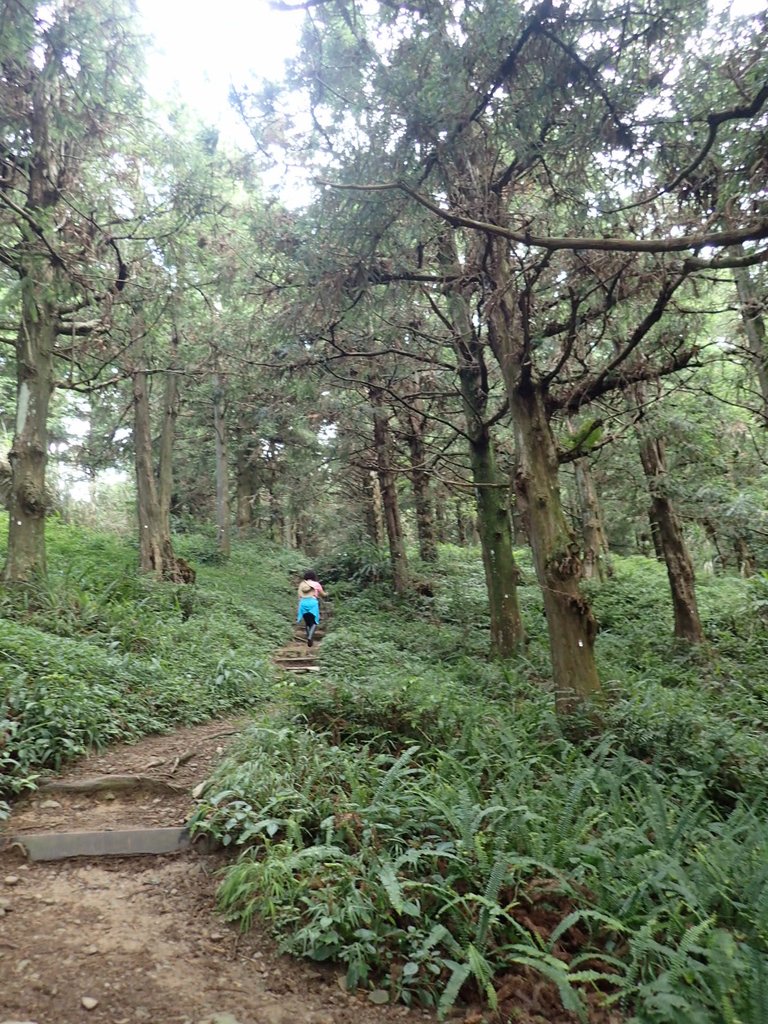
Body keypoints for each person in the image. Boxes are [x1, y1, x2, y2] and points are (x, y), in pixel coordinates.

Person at [297, 570, 325, 647]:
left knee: (307, 622)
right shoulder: (316, 584)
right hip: (312, 603)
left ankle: (309, 636)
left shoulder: (302, 584)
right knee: (314, 622)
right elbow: (323, 594)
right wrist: (327, 594)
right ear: (313, 576)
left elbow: (299, 596)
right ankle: (310, 637)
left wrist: (300, 604)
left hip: (303, 603)